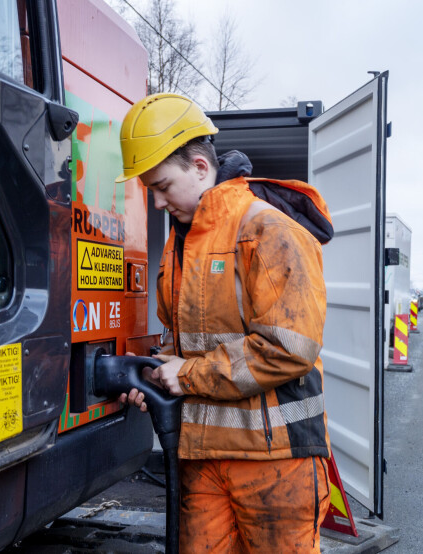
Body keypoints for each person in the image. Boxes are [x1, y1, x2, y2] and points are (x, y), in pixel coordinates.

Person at [115, 93, 334, 553]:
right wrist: (157, 376)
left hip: (275, 464)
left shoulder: (269, 229)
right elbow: (184, 345)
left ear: (199, 166)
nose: (156, 203)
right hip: (203, 459)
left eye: (161, 186)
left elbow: (288, 348)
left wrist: (187, 374)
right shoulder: (180, 246)